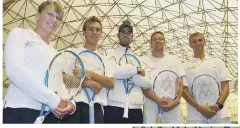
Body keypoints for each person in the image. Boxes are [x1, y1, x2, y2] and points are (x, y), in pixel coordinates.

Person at [3, 0, 76, 124]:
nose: (54, 20)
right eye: (50, 14)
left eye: (58, 18)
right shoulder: (21, 34)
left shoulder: (56, 54)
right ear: (37, 15)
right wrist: (53, 100)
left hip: (50, 115)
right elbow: (14, 70)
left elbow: (59, 83)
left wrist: (71, 104)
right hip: (20, 110)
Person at [61, 16, 114, 124]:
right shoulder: (72, 53)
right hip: (74, 107)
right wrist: (86, 82)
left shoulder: (106, 59)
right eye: (90, 29)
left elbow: (110, 83)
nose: (94, 32)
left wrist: (88, 73)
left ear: (101, 34)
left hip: (97, 109)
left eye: (97, 30)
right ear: (84, 33)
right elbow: (63, 80)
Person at [104, 20, 151, 124]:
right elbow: (114, 73)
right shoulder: (109, 53)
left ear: (132, 36)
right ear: (118, 35)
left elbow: (147, 83)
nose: (126, 35)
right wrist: (136, 70)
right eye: (123, 32)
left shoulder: (139, 58)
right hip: (113, 107)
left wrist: (127, 73)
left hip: (135, 109)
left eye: (129, 32)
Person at [182, 32, 231, 124]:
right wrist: (199, 108)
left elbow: (226, 87)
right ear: (190, 45)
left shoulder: (217, 62)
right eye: (194, 41)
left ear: (205, 42)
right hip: (195, 116)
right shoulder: (185, 66)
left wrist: (218, 106)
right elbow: (184, 91)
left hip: (220, 115)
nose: (197, 43)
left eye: (200, 40)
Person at [140, 31, 186, 123]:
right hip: (151, 108)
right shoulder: (143, 60)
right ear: (151, 44)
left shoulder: (174, 59)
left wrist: (176, 101)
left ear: (164, 42)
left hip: (173, 108)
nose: (158, 41)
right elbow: (143, 85)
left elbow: (181, 84)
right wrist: (158, 100)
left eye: (160, 39)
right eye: (155, 39)